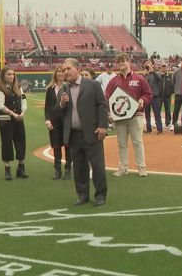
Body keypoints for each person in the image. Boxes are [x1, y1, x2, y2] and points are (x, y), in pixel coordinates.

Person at [57, 58, 109, 206]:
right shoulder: (64, 89)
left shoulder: (93, 85)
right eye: (64, 70)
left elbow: (102, 106)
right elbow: (59, 112)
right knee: (79, 167)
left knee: (97, 166)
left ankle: (100, 195)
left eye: (68, 69)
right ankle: (83, 195)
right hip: (74, 134)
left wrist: (103, 126)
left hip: (92, 132)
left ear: (78, 69)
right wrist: (61, 104)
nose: (66, 72)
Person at [105, 53, 153, 177]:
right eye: (119, 62)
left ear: (129, 62)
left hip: (135, 115)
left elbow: (148, 94)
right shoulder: (114, 80)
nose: (121, 63)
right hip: (119, 118)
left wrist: (142, 100)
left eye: (123, 61)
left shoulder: (139, 78)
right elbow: (107, 97)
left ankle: (142, 168)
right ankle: (123, 167)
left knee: (137, 142)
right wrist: (109, 113)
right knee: (121, 144)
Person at [0, 67, 28, 180]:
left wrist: (22, 112)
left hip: (18, 119)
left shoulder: (18, 87)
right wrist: (13, 114)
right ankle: (7, 169)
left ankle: (21, 168)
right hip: (5, 120)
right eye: (8, 74)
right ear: (3, 76)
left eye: (13, 74)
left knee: (21, 141)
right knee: (7, 143)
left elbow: (24, 100)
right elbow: (0, 106)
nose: (11, 76)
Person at [45, 65, 71, 180]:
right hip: (54, 121)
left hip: (66, 121)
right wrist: (47, 120)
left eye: (62, 72)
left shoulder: (69, 87)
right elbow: (47, 107)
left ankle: (68, 170)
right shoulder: (50, 89)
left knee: (68, 146)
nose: (60, 74)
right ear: (55, 74)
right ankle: (57, 169)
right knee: (56, 146)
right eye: (58, 72)